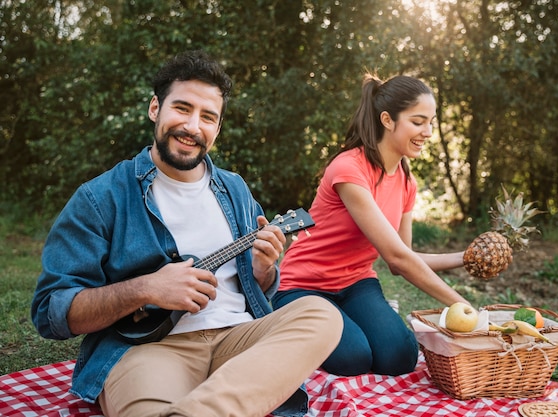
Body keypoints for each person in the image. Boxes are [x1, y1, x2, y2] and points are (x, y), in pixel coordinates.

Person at [31, 50, 343, 417]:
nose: (193, 126)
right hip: (150, 350)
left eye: (207, 117)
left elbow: (259, 287)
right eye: (182, 108)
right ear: (155, 109)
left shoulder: (235, 189)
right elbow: (51, 311)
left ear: (217, 129)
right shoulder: (100, 198)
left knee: (320, 314)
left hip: (238, 340)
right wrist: (145, 288)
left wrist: (263, 269)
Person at [272, 74, 471, 377]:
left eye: (431, 122)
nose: (428, 132)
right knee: (354, 358)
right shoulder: (349, 169)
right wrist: (465, 306)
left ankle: (350, 325)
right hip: (304, 287)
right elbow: (397, 259)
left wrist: (464, 258)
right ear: (388, 120)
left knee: (400, 357)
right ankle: (285, 326)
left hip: (356, 284)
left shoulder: (406, 181)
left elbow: (404, 254)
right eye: (418, 122)